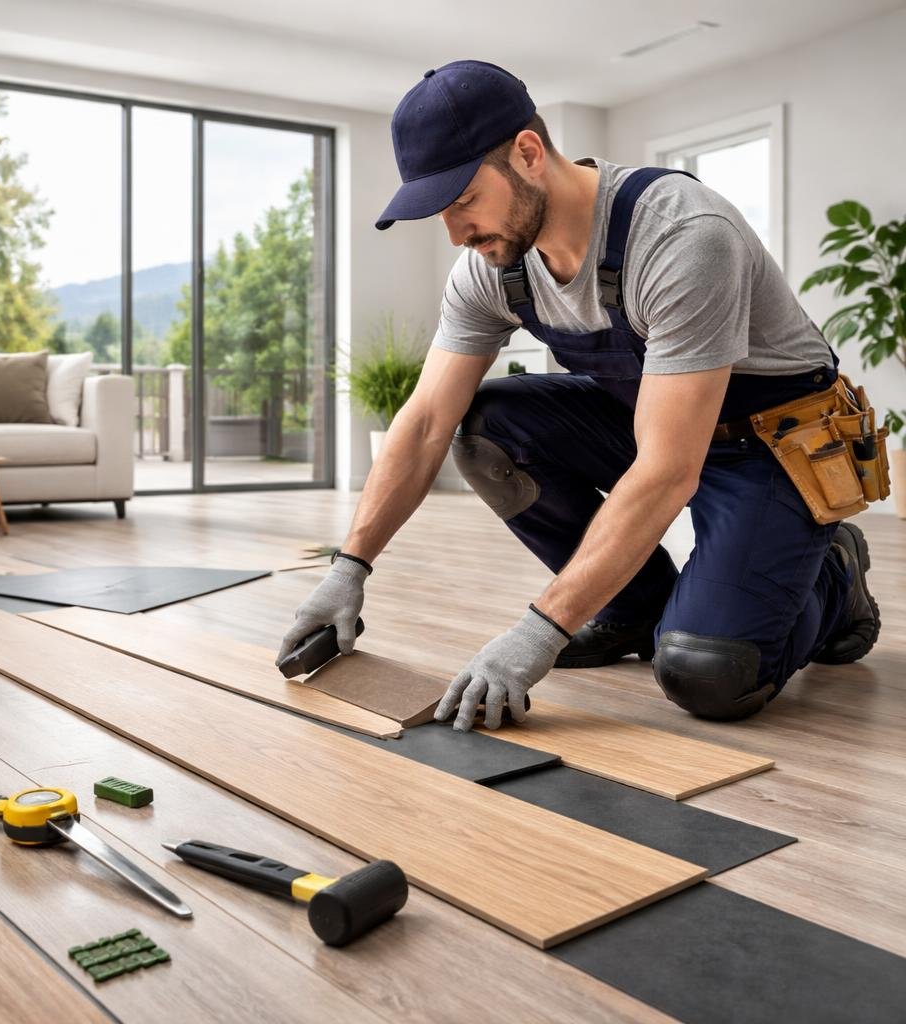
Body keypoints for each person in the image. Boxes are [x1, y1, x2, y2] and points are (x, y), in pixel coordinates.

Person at [275, 60, 881, 732]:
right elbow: (424, 425)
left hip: (769, 448)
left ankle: (834, 575)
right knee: (486, 426)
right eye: (440, 212)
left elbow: (666, 471)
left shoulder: (682, 236)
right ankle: (631, 607)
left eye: (463, 201)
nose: (456, 234)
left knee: (708, 674)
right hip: (655, 422)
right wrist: (348, 568)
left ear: (528, 154)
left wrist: (539, 632)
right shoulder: (493, 267)